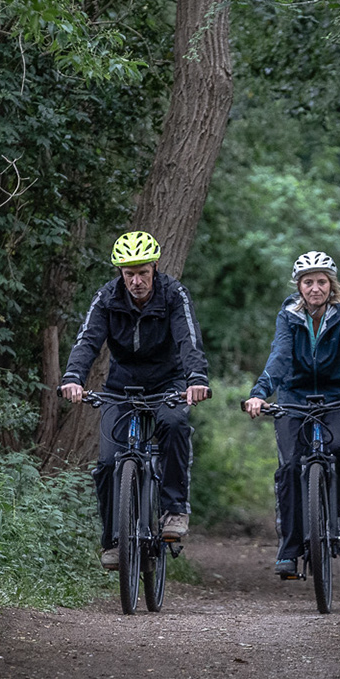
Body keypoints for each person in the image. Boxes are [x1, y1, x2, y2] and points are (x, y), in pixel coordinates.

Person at [61, 231, 211, 568]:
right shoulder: (107, 297)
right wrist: (73, 377)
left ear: (155, 267)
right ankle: (114, 542)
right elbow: (87, 340)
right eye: (129, 274)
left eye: (143, 272)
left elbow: (188, 339)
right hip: (121, 387)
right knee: (107, 464)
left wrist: (196, 379)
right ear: (121, 273)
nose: (137, 281)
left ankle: (174, 509)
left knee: (174, 424)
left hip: (168, 382)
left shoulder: (173, 294)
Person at [243, 251, 340, 578]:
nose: (315, 288)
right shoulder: (288, 315)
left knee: (338, 448)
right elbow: (279, 357)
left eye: (322, 281)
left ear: (331, 285)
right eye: (308, 282)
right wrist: (259, 393)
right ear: (299, 286)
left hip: (338, 395)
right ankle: (289, 550)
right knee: (290, 467)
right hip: (294, 396)